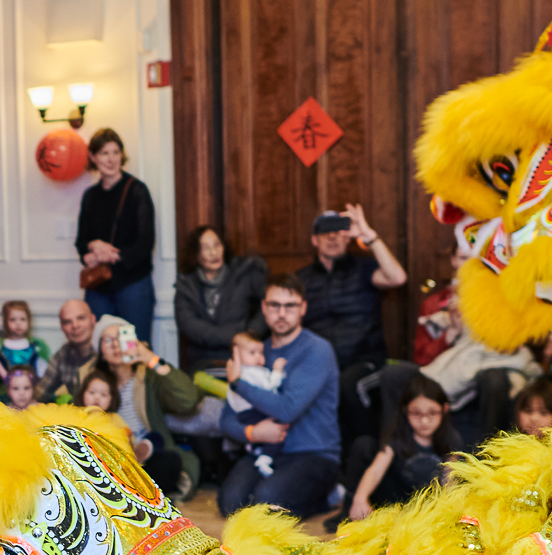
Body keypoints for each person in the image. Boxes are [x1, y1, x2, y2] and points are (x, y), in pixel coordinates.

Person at [217, 275, 341, 518]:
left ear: (303, 308)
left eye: (290, 306)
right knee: (230, 503)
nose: (281, 313)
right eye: (274, 305)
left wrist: (238, 383)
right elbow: (226, 418)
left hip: (313, 453)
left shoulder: (317, 349)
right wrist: (252, 433)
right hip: (264, 450)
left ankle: (327, 494)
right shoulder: (256, 352)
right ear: (264, 307)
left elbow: (288, 409)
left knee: (268, 503)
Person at [294, 206, 407, 443]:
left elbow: (397, 278)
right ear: (315, 239)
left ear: (347, 237)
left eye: (339, 231)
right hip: (321, 362)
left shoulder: (364, 268)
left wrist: (369, 235)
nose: (333, 237)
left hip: (365, 360)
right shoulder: (301, 280)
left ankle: (367, 452)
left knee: (347, 385)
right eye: (326, 232)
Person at [90, 315, 201, 496]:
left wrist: (150, 358)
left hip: (149, 454)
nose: (115, 345)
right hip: (111, 456)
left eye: (121, 337)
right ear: (101, 350)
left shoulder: (148, 377)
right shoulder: (94, 382)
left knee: (169, 462)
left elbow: (188, 399)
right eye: (108, 340)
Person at [75, 129, 158, 343]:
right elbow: (81, 242)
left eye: (115, 152)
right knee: (100, 348)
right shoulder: (90, 196)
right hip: (98, 287)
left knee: (135, 347)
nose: (111, 159)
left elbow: (145, 243)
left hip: (133, 285)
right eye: (104, 153)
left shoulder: (137, 191)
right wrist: (93, 246)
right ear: (93, 157)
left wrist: (110, 255)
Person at [344, 376, 458, 526]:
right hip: (397, 501)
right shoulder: (398, 435)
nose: (424, 420)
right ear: (405, 410)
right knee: (364, 446)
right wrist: (360, 498)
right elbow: (376, 470)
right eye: (416, 413)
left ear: (444, 409)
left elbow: (449, 481)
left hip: (428, 505)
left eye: (432, 413)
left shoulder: (451, 438)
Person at [173, 226, 268, 370]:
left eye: (217, 245)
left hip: (244, 358)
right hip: (203, 361)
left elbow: (267, 306)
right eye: (206, 248)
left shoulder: (243, 274)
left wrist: (251, 334)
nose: (213, 252)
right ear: (196, 254)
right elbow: (191, 326)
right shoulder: (186, 286)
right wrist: (235, 337)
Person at [38, 299, 97, 402]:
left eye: (81, 318)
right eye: (67, 322)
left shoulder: (109, 349)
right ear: (61, 327)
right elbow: (40, 394)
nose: (75, 325)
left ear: (92, 319)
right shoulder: (62, 355)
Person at [0, 301, 49, 382]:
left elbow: (42, 371)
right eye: (13, 320)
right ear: (5, 321)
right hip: (4, 388)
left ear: (29, 321)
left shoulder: (36, 346)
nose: (18, 323)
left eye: (22, 319)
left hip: (29, 388)